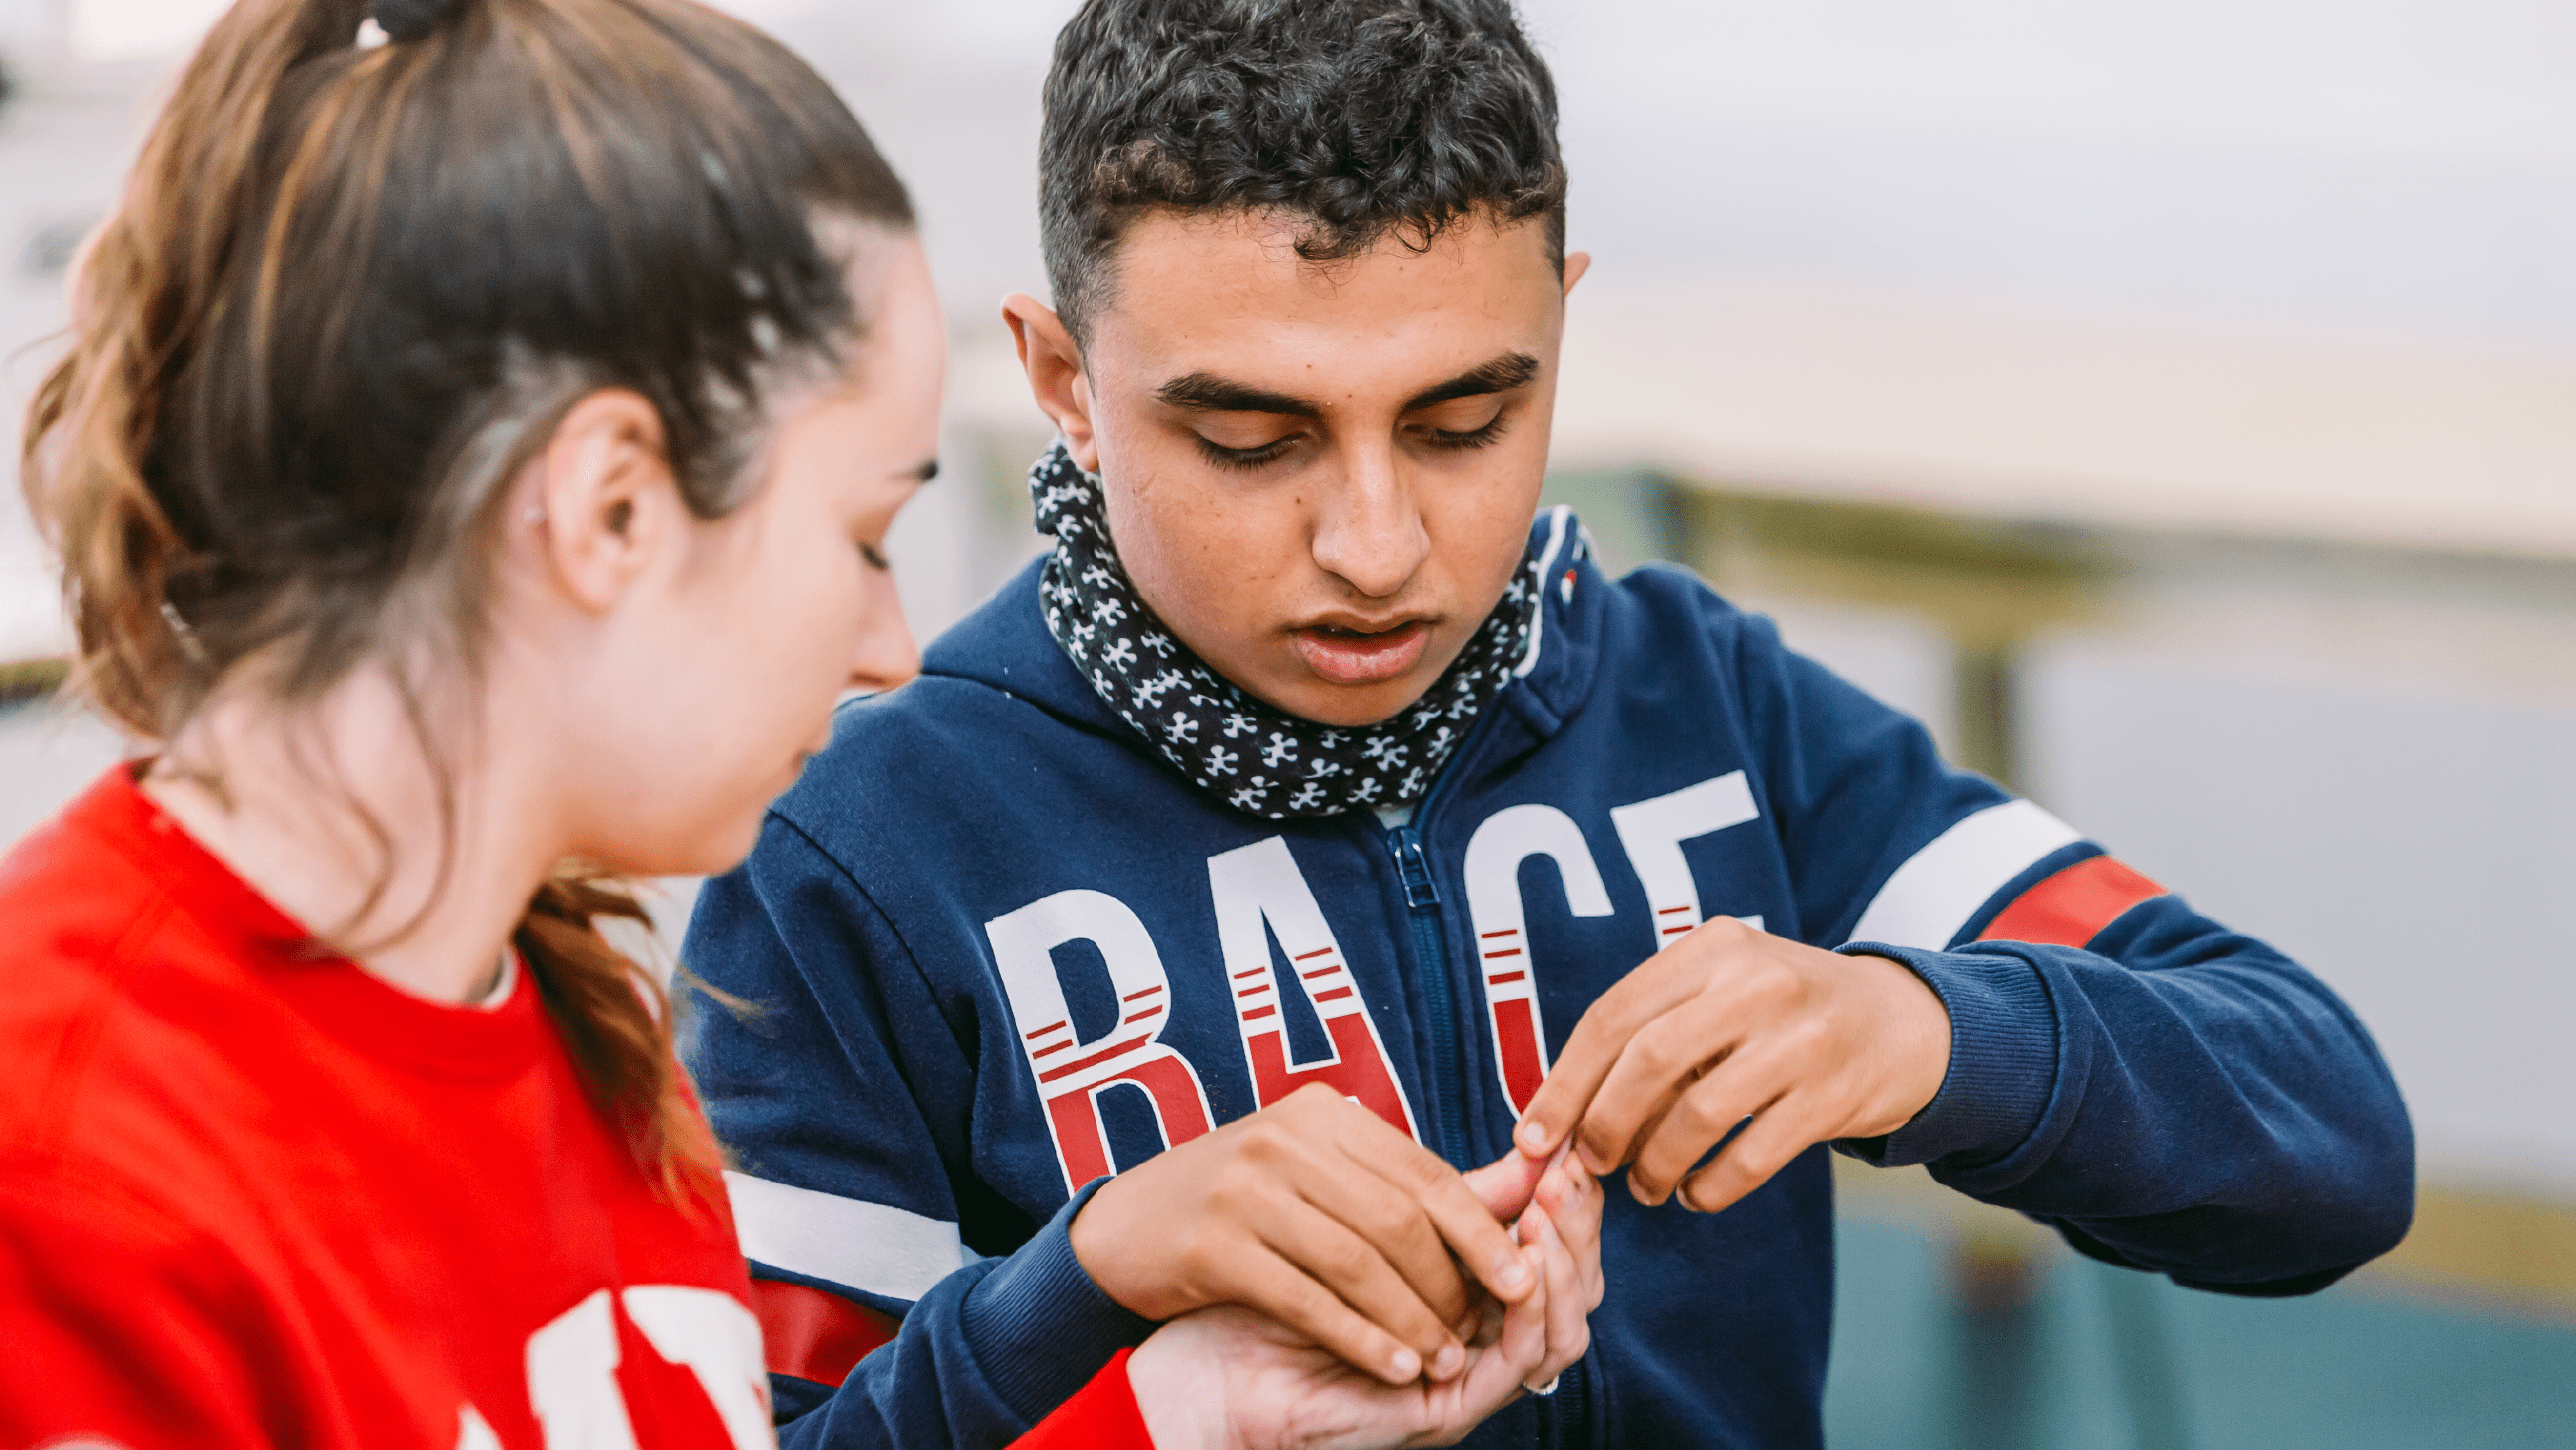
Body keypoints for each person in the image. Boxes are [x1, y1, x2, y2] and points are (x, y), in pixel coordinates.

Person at [681, 0, 2419, 1444]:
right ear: (1063, 380)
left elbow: (2331, 1140)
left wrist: (1917, 1029)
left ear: (1560, 332)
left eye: (1462, 422)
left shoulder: (1700, 701)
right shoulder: (863, 847)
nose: (1375, 548)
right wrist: (1093, 1277)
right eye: (1249, 440)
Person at [0, 0, 1597, 1446]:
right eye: (860, 537)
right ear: (610, 508)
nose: (892, 645)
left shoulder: (560, 1027)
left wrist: (1180, 1408)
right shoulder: (68, 1173)